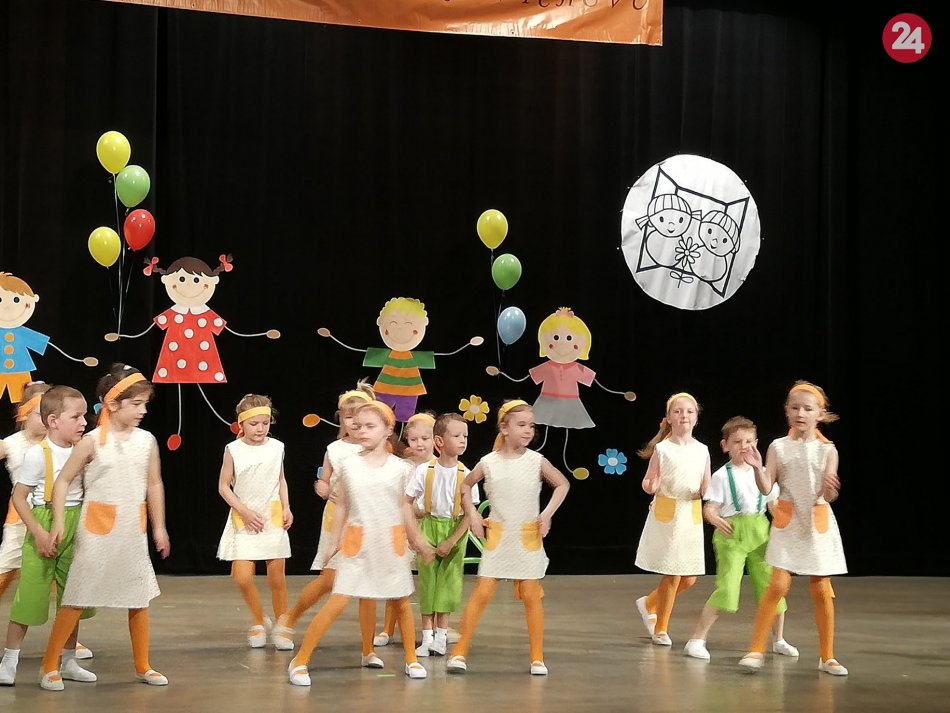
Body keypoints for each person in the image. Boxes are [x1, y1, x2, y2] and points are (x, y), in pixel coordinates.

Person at [38, 364, 171, 690]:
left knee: (138, 597)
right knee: (78, 596)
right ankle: (49, 665)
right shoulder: (92, 442)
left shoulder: (147, 441)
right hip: (96, 531)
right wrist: (58, 521)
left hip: (132, 530)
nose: (143, 410)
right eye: (136, 404)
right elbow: (63, 481)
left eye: (144, 404)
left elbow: (154, 483)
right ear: (112, 404)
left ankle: (143, 665)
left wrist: (159, 527)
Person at [287, 400, 434, 685]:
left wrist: (417, 539)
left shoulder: (401, 469)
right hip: (357, 543)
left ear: (388, 430)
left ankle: (411, 659)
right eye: (358, 426)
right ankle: (301, 660)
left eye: (370, 426)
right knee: (337, 601)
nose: (362, 430)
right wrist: (333, 542)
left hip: (390, 544)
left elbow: (405, 508)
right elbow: (341, 505)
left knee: (401, 602)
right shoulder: (349, 466)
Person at [446, 399, 570, 675]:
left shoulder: (536, 461)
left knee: (531, 596)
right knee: (482, 593)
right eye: (521, 425)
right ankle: (459, 652)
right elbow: (465, 487)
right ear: (504, 427)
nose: (528, 431)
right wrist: (473, 516)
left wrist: (547, 514)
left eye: (531, 426)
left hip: (526, 537)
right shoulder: (489, 462)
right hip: (500, 538)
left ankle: (537, 657)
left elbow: (562, 484)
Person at [739, 381, 848, 675]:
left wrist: (831, 488)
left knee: (822, 589)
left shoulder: (828, 450)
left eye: (807, 409)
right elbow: (766, 486)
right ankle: (756, 649)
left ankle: (827, 657)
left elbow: (829, 495)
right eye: (795, 407)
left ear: (820, 414)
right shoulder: (778, 447)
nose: (800, 413)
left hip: (815, 522)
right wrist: (757, 467)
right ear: (787, 411)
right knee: (777, 585)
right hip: (788, 521)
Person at [0, 385, 95, 686]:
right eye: (76, 417)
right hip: (44, 519)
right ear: (53, 421)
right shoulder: (37, 454)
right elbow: (19, 498)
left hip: (77, 522)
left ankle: (68, 659)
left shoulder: (86, 450)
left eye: (84, 416)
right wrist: (39, 532)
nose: (83, 422)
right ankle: (10, 660)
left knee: (73, 596)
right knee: (30, 595)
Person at [682, 416, 798, 661]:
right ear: (725, 446)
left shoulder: (763, 473)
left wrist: (784, 525)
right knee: (727, 588)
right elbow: (710, 507)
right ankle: (696, 640)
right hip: (732, 535)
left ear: (756, 443)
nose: (744, 446)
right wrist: (714, 519)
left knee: (771, 587)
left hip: (760, 532)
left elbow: (773, 505)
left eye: (749, 441)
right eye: (737, 442)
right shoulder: (722, 476)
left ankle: (778, 639)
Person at [274, 381, 374, 646]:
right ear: (341, 419)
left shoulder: (376, 448)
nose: (355, 423)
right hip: (337, 519)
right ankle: (289, 618)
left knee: (369, 585)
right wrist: (323, 488)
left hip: (367, 520)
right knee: (329, 580)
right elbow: (324, 481)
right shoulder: (335, 449)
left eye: (361, 417)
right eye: (349, 417)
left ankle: (368, 647)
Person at [634, 392, 711, 647]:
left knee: (689, 577)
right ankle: (661, 629)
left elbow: (706, 484)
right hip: (669, 515)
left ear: (696, 417)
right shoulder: (663, 449)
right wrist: (651, 485)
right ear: (669, 418)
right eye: (677, 412)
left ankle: (649, 603)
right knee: (673, 574)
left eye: (689, 411)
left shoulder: (702, 450)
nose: (683, 416)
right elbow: (648, 481)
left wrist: (710, 495)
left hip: (690, 516)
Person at [216, 394, 293, 649]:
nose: (260, 429)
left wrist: (287, 507)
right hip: (245, 515)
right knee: (241, 577)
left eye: (265, 423)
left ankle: (283, 626)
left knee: (277, 579)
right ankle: (259, 618)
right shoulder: (233, 450)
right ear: (241, 423)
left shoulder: (277, 447)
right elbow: (224, 486)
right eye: (254, 424)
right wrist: (244, 511)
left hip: (271, 516)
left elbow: (281, 479)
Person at [404, 413, 478, 657]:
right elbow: (407, 502)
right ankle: (427, 637)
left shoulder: (468, 474)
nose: (463, 440)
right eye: (456, 435)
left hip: (454, 530)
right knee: (428, 583)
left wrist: (452, 540)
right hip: (429, 525)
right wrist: (415, 536)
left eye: (465, 435)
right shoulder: (424, 471)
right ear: (439, 441)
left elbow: (469, 514)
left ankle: (441, 635)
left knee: (448, 583)